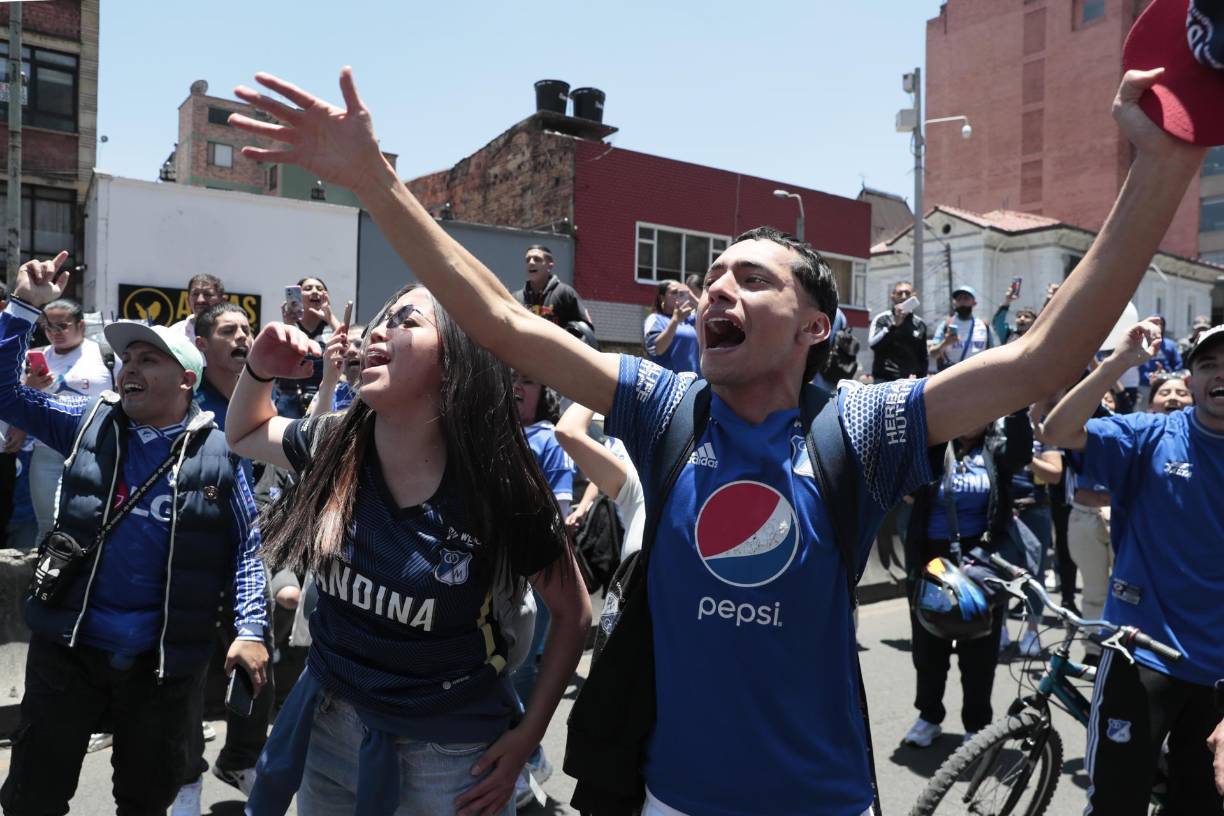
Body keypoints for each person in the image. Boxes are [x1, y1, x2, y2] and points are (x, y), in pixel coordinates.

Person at [228, 64, 1202, 816]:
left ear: (817, 326)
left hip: (820, 800)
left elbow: (1041, 363)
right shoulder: (666, 407)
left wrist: (1163, 165)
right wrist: (369, 176)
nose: (719, 289)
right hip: (671, 795)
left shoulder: (860, 428)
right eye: (715, 275)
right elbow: (502, 324)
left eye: (754, 279)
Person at [225, 286, 591, 815]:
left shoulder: (500, 486)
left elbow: (574, 613)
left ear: (456, 362)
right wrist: (258, 370)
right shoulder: (335, 442)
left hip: (449, 756)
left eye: (406, 320)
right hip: (326, 723)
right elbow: (247, 431)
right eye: (380, 318)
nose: (378, 330)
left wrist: (525, 740)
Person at [0, 253, 269, 816]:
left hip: (161, 665)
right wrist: (23, 307)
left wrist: (251, 628)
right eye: (127, 358)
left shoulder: (222, 453)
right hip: (68, 650)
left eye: (149, 358)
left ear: (187, 379)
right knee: (32, 797)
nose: (129, 369)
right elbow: (7, 395)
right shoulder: (87, 420)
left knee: (145, 803)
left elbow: (246, 546)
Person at [1041, 320, 1224, 813]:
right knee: (1116, 804)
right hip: (1138, 657)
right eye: (1209, 365)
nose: (1220, 375)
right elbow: (1057, 430)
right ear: (1189, 381)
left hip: (1218, 679)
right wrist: (1119, 361)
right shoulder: (1148, 435)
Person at [168, 301, 272, 813]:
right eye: (229, 330)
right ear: (202, 347)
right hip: (192, 560)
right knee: (185, 678)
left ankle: (242, 757)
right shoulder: (186, 406)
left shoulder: (266, 401)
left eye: (247, 329)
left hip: (248, 557)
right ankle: (187, 784)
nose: (242, 336)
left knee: (256, 662)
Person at [902, 412, 1031, 748]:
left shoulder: (996, 451)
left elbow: (1021, 453)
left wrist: (1018, 410)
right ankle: (929, 716)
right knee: (929, 648)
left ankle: (977, 724)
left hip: (981, 564)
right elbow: (904, 481)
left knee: (980, 652)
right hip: (931, 563)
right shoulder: (932, 449)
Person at [26, 298, 114, 541]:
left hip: (94, 448)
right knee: (47, 523)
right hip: (47, 448)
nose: (55, 333)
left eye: (62, 326)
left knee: (93, 520)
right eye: (49, 327)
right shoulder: (34, 357)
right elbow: (18, 402)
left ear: (81, 325)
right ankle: (46, 577)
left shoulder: (106, 355)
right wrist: (29, 385)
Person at [554, 401, 646, 561]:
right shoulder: (614, 442)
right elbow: (600, 480)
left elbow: (568, 432)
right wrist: (582, 510)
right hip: (619, 528)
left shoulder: (644, 442)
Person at [274, 276, 339, 418]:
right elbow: (282, 360)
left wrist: (330, 318)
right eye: (308, 289)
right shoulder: (289, 325)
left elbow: (351, 351)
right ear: (298, 295)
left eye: (320, 289)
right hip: (291, 398)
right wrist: (288, 325)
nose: (315, 292)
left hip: (324, 397)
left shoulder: (333, 327)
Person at [512, 245, 592, 332]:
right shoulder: (516, 298)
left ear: (550, 265)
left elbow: (585, 329)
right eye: (528, 260)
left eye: (537, 259)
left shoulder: (565, 293)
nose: (531, 263)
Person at [868, 280, 928, 382]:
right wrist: (894, 325)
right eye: (900, 293)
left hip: (909, 382)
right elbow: (873, 344)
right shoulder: (882, 318)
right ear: (893, 296)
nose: (904, 297)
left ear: (914, 295)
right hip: (884, 381)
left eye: (907, 293)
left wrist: (920, 378)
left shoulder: (920, 324)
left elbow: (923, 357)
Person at [929, 284, 999, 369]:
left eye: (966, 298)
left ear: (974, 303)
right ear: (954, 303)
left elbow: (992, 354)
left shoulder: (984, 326)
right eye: (959, 299)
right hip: (951, 376)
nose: (962, 302)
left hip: (977, 375)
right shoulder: (946, 325)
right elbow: (932, 354)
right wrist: (945, 343)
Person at [643, 281, 700, 375]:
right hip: (669, 383)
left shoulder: (691, 319)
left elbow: (711, 317)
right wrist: (675, 320)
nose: (678, 296)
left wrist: (692, 296)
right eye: (674, 292)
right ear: (662, 298)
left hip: (695, 383)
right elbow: (656, 349)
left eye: (680, 293)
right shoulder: (655, 319)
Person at [170, 274, 227, 342]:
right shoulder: (173, 333)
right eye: (195, 294)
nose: (200, 300)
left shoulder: (235, 332)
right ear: (188, 300)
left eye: (207, 294)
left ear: (222, 300)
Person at [1137, 314, 1183, 385]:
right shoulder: (1141, 344)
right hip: (1146, 385)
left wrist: (1166, 376)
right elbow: (1139, 367)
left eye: (1160, 324)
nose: (1157, 326)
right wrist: (1150, 378)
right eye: (1154, 324)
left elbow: (1178, 366)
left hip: (1167, 383)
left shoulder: (1171, 345)